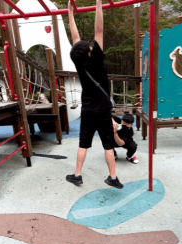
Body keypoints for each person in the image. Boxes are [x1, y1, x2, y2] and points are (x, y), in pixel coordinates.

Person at [66, 0, 123, 189]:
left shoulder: (78, 60)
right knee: (108, 145)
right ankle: (113, 177)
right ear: (89, 53)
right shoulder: (96, 57)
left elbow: (75, 38)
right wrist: (99, 2)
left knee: (83, 144)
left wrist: (70, 14)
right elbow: (99, 29)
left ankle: (77, 175)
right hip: (104, 111)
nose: (90, 46)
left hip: (89, 111)